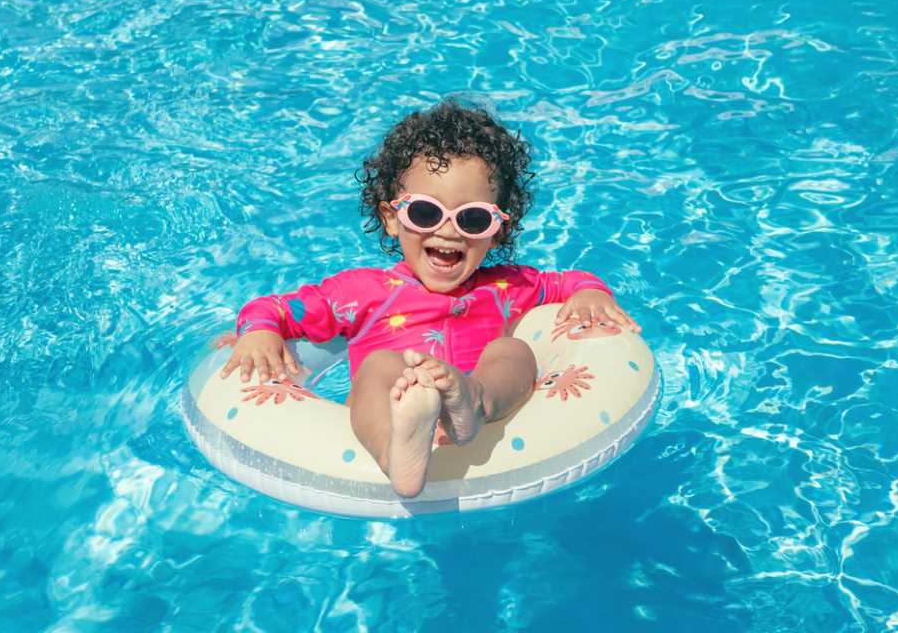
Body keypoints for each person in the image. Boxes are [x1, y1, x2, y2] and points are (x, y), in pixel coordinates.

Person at [220, 100, 639, 497]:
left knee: (511, 349)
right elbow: (279, 309)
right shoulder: (360, 292)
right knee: (381, 365)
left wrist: (591, 292)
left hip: (471, 394)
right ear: (391, 219)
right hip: (393, 400)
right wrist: (259, 332)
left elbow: (567, 282)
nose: (448, 231)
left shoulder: (508, 288)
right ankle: (395, 449)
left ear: (498, 232)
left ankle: (473, 401)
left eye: (473, 219)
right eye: (425, 213)